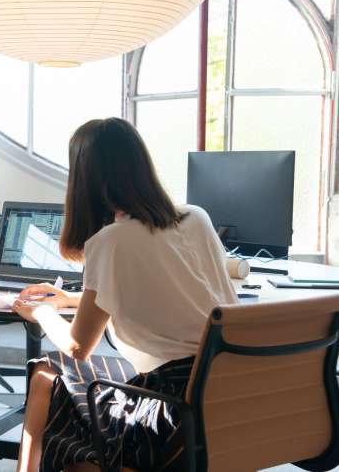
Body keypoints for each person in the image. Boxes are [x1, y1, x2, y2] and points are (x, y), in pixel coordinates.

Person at [12, 118, 238, 472]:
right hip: (225, 389)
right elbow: (173, 290)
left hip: (168, 410)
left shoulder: (111, 241)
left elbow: (77, 347)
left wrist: (40, 313)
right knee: (47, 373)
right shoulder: (196, 217)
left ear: (84, 179)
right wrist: (69, 300)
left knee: (54, 385)